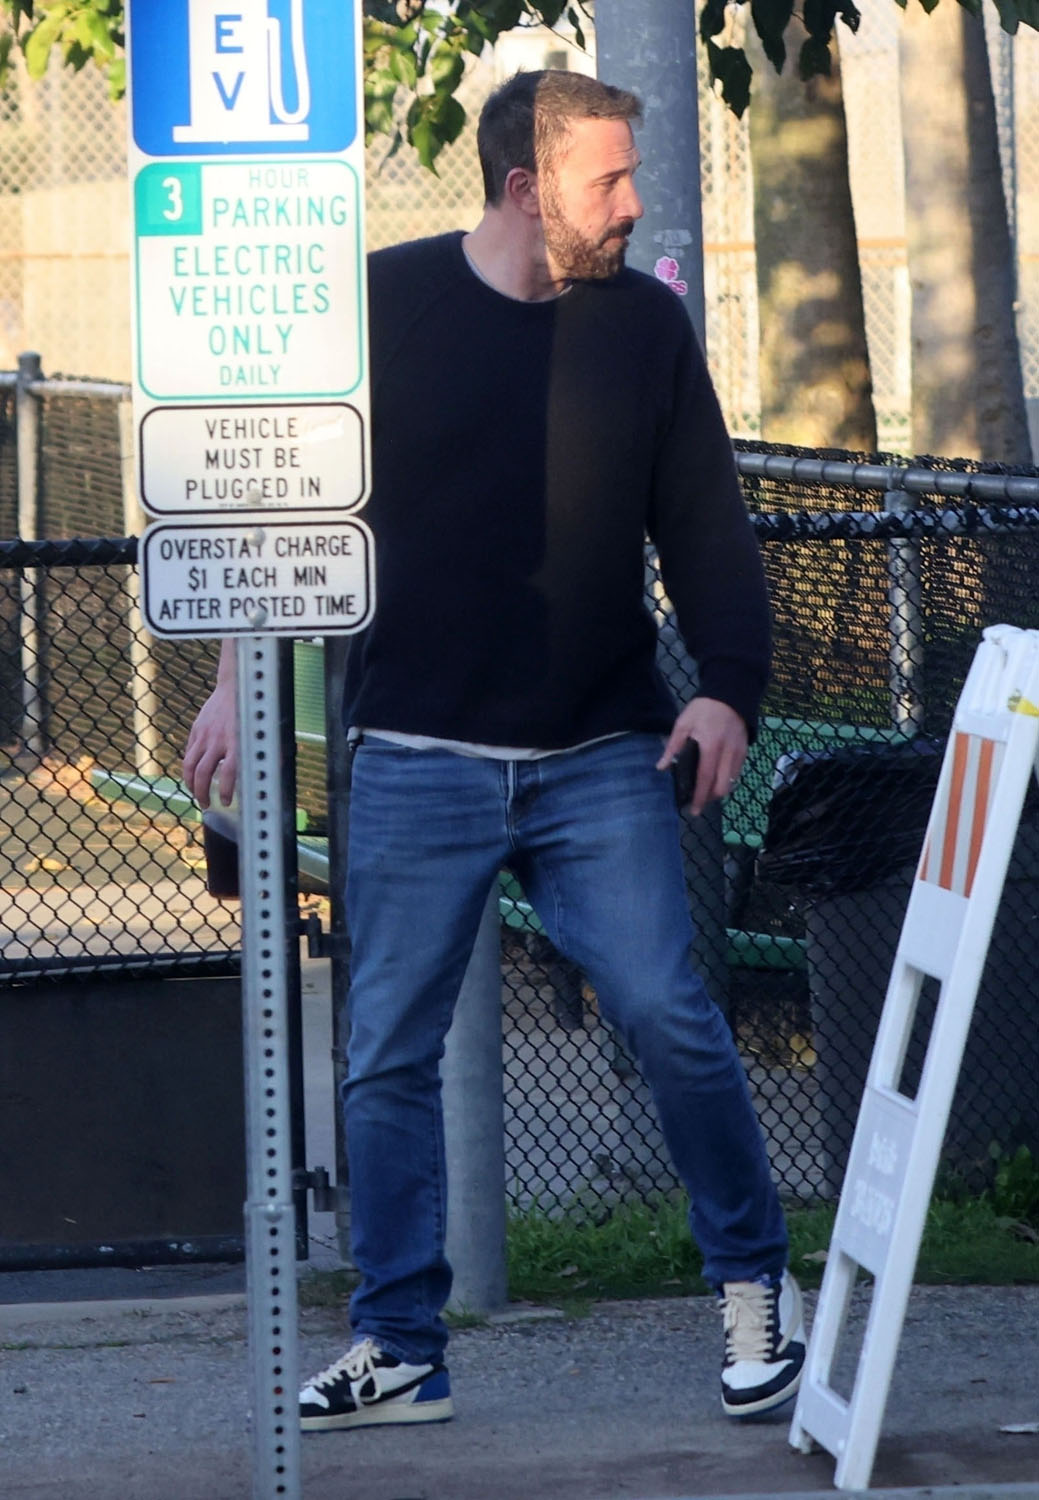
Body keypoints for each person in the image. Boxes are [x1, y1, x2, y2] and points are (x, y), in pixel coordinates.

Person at [183, 68, 804, 1434]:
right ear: (526, 188)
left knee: (668, 1011)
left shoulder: (644, 329)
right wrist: (233, 676)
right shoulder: (380, 306)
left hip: (600, 753)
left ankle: (755, 1284)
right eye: (608, 180)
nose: (633, 203)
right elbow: (271, 492)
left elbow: (706, 525)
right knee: (385, 1055)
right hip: (415, 753)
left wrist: (729, 692)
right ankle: (401, 1344)